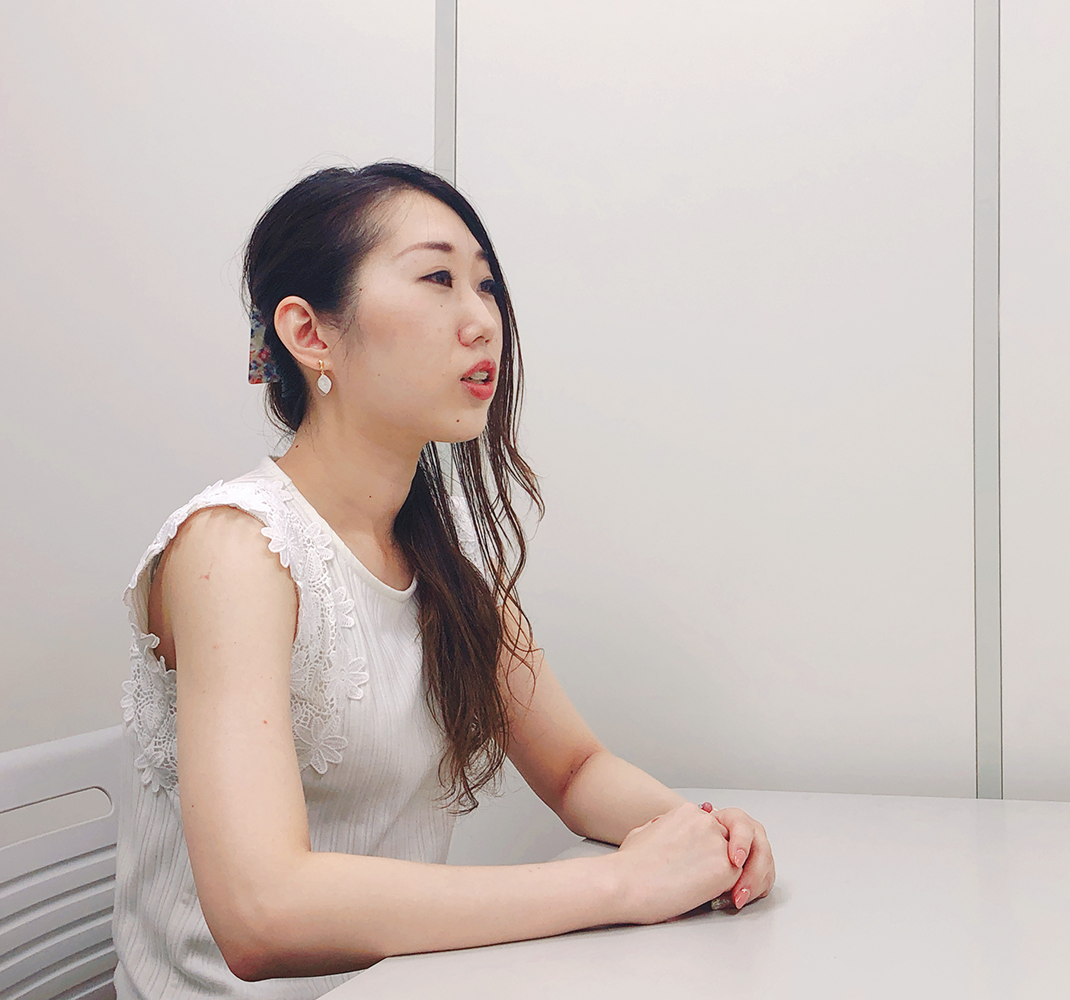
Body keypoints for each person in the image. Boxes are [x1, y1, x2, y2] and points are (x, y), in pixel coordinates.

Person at [112, 162, 776, 997]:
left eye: (486, 286)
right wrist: (617, 884)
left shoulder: (439, 547)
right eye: (437, 279)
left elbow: (574, 769)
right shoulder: (235, 550)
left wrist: (700, 834)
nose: (483, 321)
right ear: (310, 333)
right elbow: (262, 914)